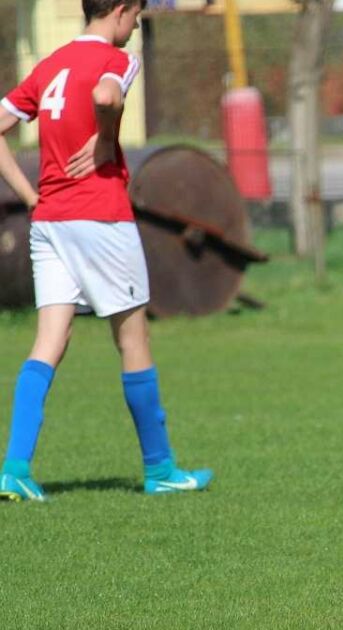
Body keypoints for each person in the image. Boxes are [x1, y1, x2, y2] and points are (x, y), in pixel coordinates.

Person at [0, 0, 212, 502]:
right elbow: (105, 96)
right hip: (100, 217)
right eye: (136, 16)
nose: (135, 26)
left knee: (48, 341)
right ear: (119, 11)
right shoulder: (118, 60)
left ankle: (14, 467)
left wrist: (29, 196)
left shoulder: (49, 65)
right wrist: (104, 141)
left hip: (49, 221)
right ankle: (160, 469)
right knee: (133, 341)